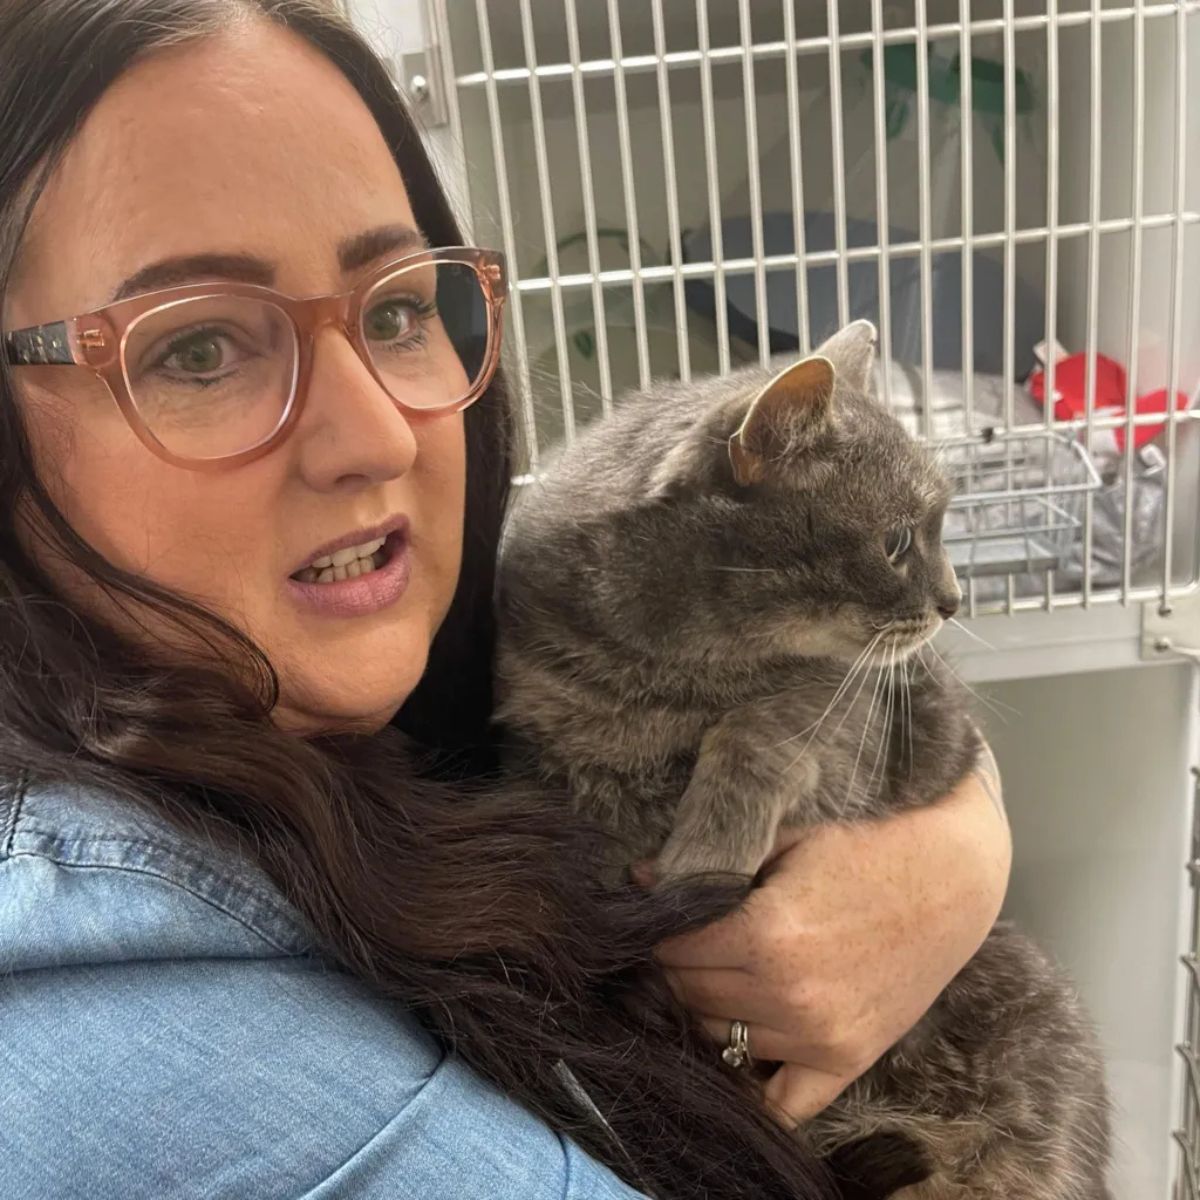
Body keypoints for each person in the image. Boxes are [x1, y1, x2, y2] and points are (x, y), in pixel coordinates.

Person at [0, 2, 1012, 1197]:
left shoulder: (392, 663)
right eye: (199, 348)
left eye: (395, 309)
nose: (373, 433)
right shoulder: (182, 1048)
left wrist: (950, 858)